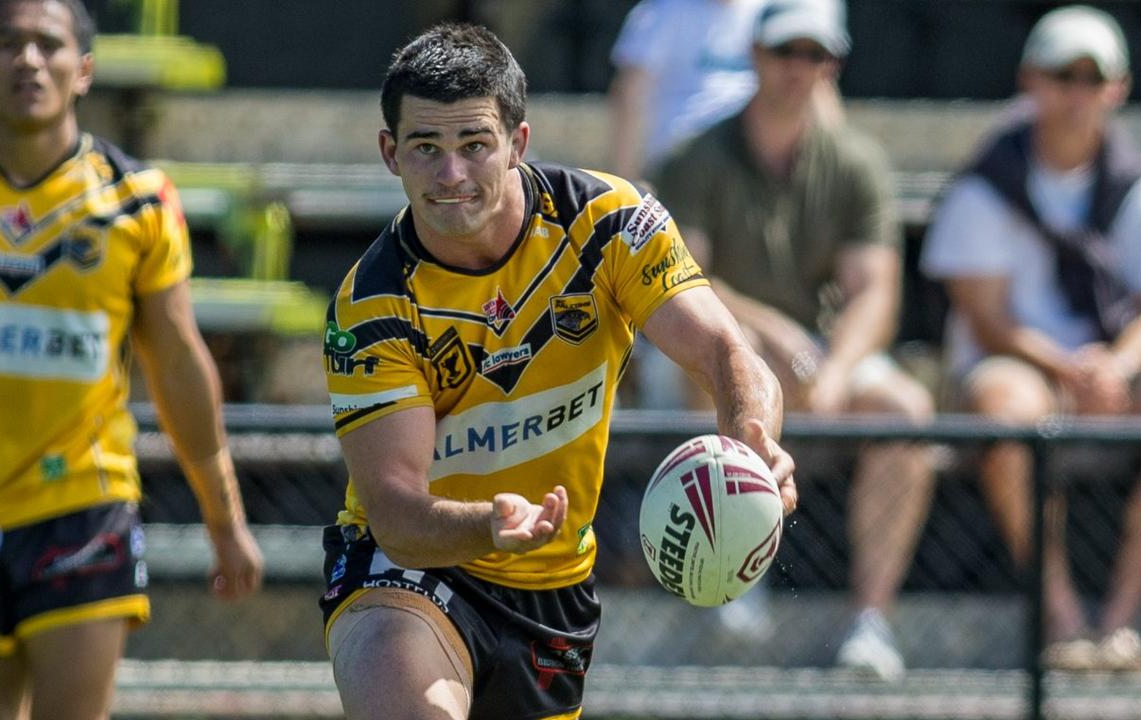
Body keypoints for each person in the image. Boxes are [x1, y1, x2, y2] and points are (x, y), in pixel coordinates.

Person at [318, 22, 797, 720]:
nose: (451, 175)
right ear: (391, 153)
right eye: (426, 147)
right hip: (410, 572)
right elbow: (395, 515)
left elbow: (728, 353)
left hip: (553, 588)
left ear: (517, 143)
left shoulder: (609, 224)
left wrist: (752, 436)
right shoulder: (373, 306)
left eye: (474, 145)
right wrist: (489, 524)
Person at [0, 1, 264, 717]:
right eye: (7, 44)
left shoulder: (136, 200)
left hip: (82, 508)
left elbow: (177, 365)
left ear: (85, 70)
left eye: (49, 44)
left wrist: (224, 522)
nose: (29, 60)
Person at [655, 0, 936, 681]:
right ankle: (733, 579)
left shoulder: (856, 161)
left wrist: (834, 369)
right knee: (723, 358)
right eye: (786, 52)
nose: (798, 68)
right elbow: (681, 285)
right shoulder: (696, 155)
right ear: (755, 56)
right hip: (712, 347)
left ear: (832, 66)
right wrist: (771, 339)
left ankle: (871, 621)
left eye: (815, 55)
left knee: (908, 412)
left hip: (819, 357)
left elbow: (876, 291)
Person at [922, 5, 1141, 673]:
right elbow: (984, 317)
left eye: (1091, 78)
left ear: (1118, 89)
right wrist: (1069, 367)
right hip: (1018, 368)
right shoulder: (989, 182)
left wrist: (1117, 369)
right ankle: (1063, 619)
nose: (1077, 94)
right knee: (1010, 408)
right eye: (1061, 76)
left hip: (1105, 379)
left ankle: (1119, 624)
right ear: (1030, 82)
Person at [607, 0, 767, 182]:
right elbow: (630, 95)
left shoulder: (775, 13)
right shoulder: (662, 11)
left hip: (753, 165)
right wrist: (627, 178)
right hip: (678, 165)